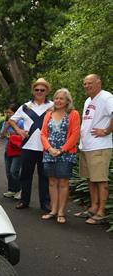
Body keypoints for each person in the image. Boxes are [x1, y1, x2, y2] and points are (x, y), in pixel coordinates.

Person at [74, 74, 113, 225]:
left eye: (90, 83)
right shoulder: (88, 101)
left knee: (100, 180)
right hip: (87, 147)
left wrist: (107, 131)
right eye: (85, 83)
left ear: (99, 83)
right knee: (91, 179)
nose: (87, 86)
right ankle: (93, 207)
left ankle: (101, 211)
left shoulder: (106, 97)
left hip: (100, 146)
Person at [9, 78, 53, 210]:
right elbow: (12, 120)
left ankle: (45, 203)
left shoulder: (52, 106)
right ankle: (24, 200)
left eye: (42, 90)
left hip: (45, 147)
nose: (39, 92)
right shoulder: (25, 107)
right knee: (26, 175)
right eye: (37, 89)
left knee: (44, 177)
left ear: (47, 91)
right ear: (33, 91)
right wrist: (18, 130)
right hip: (28, 146)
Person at [40, 89, 80, 224]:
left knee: (63, 182)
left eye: (61, 98)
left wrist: (62, 150)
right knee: (52, 182)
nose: (58, 101)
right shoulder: (49, 114)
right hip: (49, 152)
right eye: (56, 98)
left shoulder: (73, 114)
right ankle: (53, 210)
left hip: (66, 153)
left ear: (67, 101)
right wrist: (49, 148)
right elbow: (43, 134)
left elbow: (75, 135)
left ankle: (61, 211)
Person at [0, 103, 24, 199]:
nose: (9, 115)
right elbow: (1, 136)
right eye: (7, 113)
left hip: (18, 150)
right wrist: (7, 125)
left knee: (14, 171)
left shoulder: (21, 122)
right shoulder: (5, 123)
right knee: (8, 171)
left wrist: (14, 130)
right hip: (8, 149)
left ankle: (19, 190)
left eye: (11, 113)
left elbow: (25, 134)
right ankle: (11, 190)